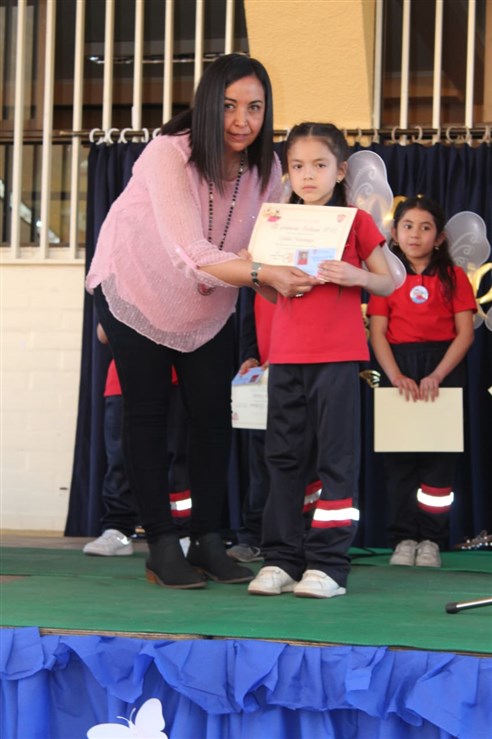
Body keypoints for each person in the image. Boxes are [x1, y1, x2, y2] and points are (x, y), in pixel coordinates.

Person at [86, 54, 316, 590]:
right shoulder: (168, 153)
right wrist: (263, 274)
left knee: (213, 416)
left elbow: (262, 249)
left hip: (209, 302)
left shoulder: (268, 169)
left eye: (255, 108)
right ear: (209, 103)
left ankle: (209, 540)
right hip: (137, 287)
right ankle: (162, 546)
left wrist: (295, 272)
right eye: (230, 105)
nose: (242, 120)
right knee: (148, 414)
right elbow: (190, 250)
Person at [248, 122, 394, 599]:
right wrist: (266, 278)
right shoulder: (276, 223)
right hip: (286, 357)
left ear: (341, 170)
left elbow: (387, 281)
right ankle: (280, 559)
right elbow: (267, 291)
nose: (307, 175)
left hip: (338, 357)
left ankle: (329, 564)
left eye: (319, 165)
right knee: (282, 458)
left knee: (336, 459)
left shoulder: (356, 221)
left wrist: (356, 275)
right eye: (297, 166)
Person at [367, 196, 476, 567]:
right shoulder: (385, 278)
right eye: (408, 226)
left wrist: (437, 375)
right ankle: (403, 538)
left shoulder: (454, 277)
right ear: (395, 234)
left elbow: (465, 334)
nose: (415, 234)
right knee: (398, 461)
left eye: (425, 227)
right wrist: (396, 375)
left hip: (442, 367)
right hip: (397, 368)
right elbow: (377, 334)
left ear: (439, 237)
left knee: (439, 460)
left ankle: (432, 539)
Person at [227, 288, 320, 563]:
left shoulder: (310, 274)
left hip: (305, 373)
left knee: (308, 460)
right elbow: (249, 323)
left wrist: (286, 354)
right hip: (264, 382)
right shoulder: (257, 276)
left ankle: (306, 538)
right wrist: (250, 357)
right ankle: (254, 537)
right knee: (262, 463)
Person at [83, 327, 191, 556]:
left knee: (176, 457)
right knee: (120, 458)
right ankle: (118, 530)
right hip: (124, 378)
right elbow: (103, 333)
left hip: (174, 376)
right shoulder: (119, 298)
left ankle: (182, 532)